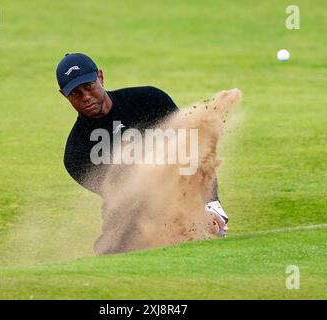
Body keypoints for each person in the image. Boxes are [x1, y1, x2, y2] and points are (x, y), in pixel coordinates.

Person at [56, 53, 229, 238]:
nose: (86, 97)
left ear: (100, 77)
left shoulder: (150, 101)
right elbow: (126, 196)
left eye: (89, 86)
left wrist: (210, 205)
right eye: (75, 93)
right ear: (64, 96)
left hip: (183, 204)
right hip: (128, 225)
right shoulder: (76, 153)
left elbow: (192, 153)